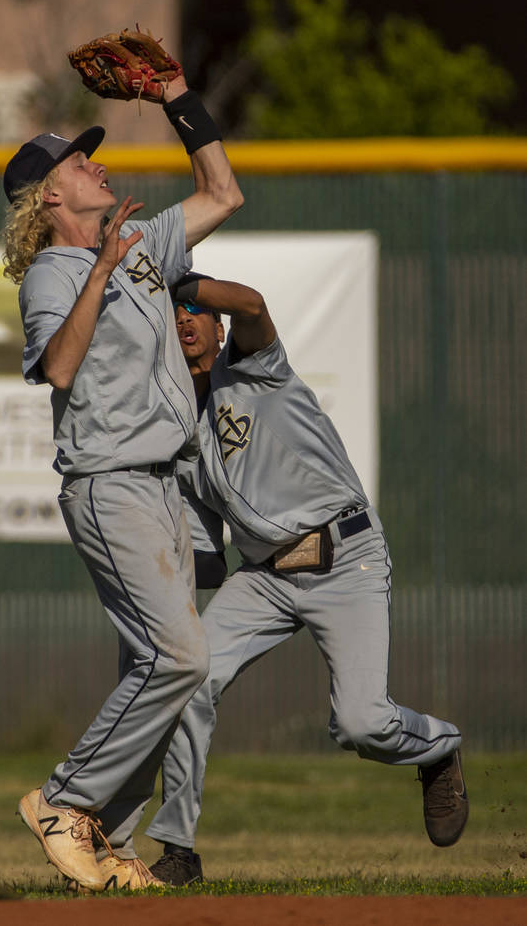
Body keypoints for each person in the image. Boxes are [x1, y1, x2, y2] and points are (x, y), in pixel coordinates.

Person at [0, 72, 243, 892]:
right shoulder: (53, 275)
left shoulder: (142, 246)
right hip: (110, 485)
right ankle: (65, 802)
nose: (93, 163)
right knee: (177, 657)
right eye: (76, 162)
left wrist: (176, 94)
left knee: (178, 670)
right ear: (48, 199)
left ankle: (102, 835)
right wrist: (101, 269)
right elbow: (60, 368)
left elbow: (223, 191)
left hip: (166, 489)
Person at [143, 273, 468, 885]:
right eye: (172, 315)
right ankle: (179, 850)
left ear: (217, 327)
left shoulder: (255, 370)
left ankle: (440, 746)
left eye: (193, 312)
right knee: (191, 679)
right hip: (265, 576)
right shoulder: (180, 437)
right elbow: (207, 557)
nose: (184, 320)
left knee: (361, 725)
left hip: (346, 556)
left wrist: (179, 280)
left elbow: (254, 305)